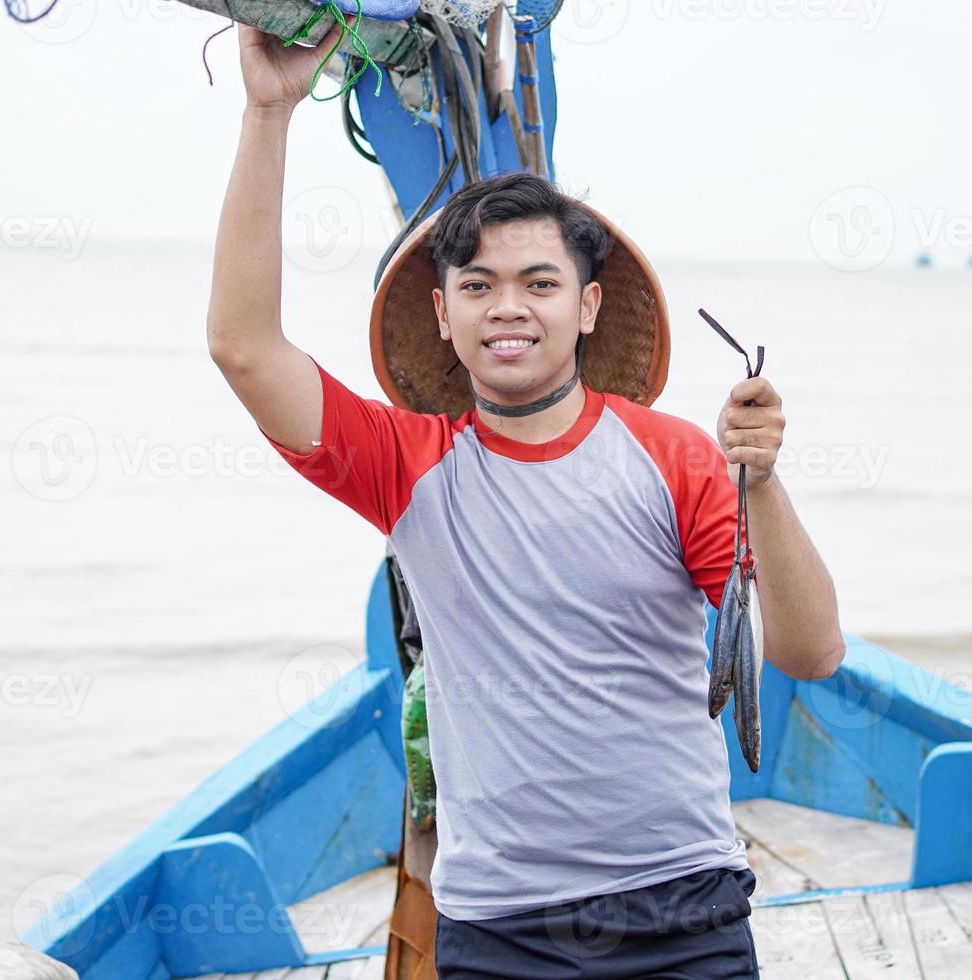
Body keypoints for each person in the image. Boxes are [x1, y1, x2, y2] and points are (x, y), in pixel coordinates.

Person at [209, 22, 846, 979]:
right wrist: (268, 113)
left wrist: (763, 483)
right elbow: (246, 350)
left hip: (688, 909)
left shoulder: (673, 457)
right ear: (443, 312)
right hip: (499, 928)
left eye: (540, 281)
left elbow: (810, 651)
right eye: (480, 283)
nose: (509, 305)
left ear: (587, 306)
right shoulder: (407, 467)